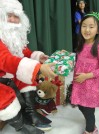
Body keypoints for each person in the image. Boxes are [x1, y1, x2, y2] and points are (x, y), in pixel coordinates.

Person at [0, 0, 57, 134]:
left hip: (7, 74)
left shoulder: (13, 36)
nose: (13, 20)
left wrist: (37, 57)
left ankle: (30, 114)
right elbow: (5, 59)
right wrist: (37, 68)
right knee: (4, 96)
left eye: (16, 16)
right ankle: (21, 127)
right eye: (9, 15)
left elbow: (23, 52)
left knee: (27, 78)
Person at [71, 12, 99, 134]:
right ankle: (91, 123)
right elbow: (79, 61)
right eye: (84, 25)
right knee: (80, 105)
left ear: (97, 30)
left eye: (91, 27)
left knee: (88, 111)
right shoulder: (81, 43)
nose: (87, 30)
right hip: (79, 83)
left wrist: (87, 76)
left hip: (90, 86)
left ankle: (91, 130)